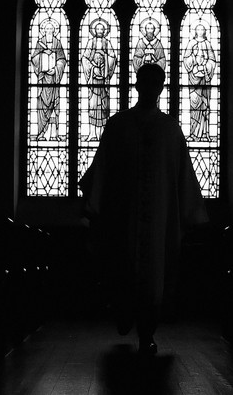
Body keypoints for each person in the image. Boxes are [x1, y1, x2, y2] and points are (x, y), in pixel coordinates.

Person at [79, 63, 208, 355]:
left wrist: (189, 216)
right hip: (122, 216)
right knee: (124, 270)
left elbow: (182, 178)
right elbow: (103, 170)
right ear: (137, 86)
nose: (151, 89)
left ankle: (147, 333)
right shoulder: (118, 125)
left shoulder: (170, 130)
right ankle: (124, 314)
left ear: (161, 88)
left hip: (159, 221)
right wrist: (94, 209)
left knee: (152, 278)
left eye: (156, 84)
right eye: (145, 83)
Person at [30, 18, 67, 141]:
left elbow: (62, 60)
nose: (49, 31)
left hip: (54, 80)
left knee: (54, 107)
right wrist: (42, 59)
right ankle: (41, 134)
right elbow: (34, 58)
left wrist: (56, 68)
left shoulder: (57, 43)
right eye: (47, 29)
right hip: (43, 80)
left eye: (51, 29)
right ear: (44, 30)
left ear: (54, 30)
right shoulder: (40, 43)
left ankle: (53, 134)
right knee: (42, 107)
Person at [81, 18, 117, 141]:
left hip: (103, 82)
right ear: (94, 30)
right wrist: (93, 68)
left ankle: (102, 133)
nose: (100, 31)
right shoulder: (91, 43)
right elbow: (84, 58)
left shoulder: (107, 43)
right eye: (98, 29)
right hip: (93, 80)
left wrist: (105, 64)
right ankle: (92, 133)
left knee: (103, 107)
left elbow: (113, 57)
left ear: (105, 31)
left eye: (102, 29)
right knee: (92, 107)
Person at [182, 23, 217, 141]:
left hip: (205, 79)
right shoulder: (191, 43)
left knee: (204, 105)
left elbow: (212, 60)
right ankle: (193, 133)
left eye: (202, 29)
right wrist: (195, 62)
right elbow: (186, 59)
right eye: (198, 29)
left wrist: (206, 66)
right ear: (195, 31)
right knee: (194, 105)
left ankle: (204, 134)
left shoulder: (208, 44)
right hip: (194, 79)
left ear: (205, 31)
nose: (200, 31)